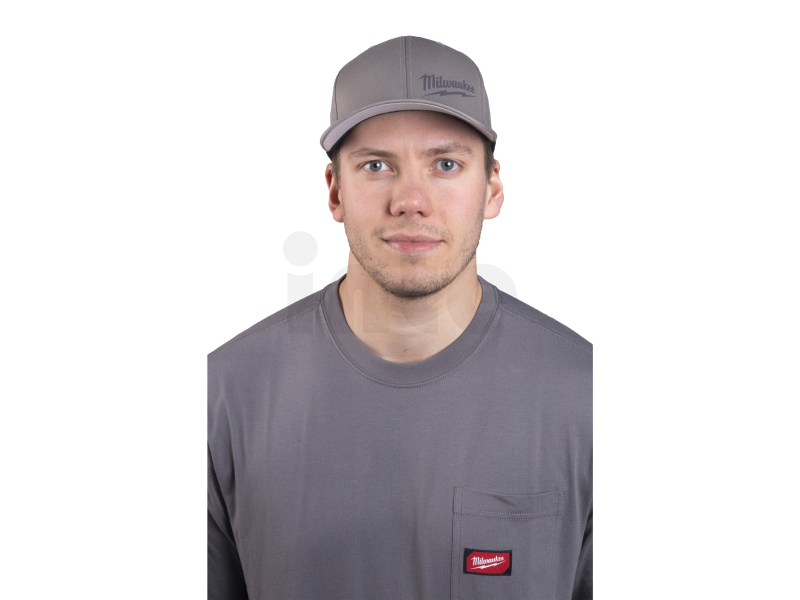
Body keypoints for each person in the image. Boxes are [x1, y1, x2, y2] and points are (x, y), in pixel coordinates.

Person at [208, 36, 592, 600]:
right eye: (377, 165)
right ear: (335, 191)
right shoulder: (223, 397)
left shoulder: (589, 397)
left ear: (492, 188)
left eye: (445, 164)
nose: (410, 200)